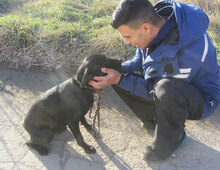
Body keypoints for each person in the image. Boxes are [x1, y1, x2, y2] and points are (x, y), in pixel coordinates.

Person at [89, 0, 220, 162]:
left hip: (202, 98)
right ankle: (153, 119)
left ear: (146, 28)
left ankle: (174, 139)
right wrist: (116, 68)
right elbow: (139, 63)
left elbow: (156, 92)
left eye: (127, 36)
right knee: (115, 74)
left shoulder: (184, 56)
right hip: (171, 85)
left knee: (164, 90)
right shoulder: (157, 22)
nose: (126, 42)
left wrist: (119, 80)